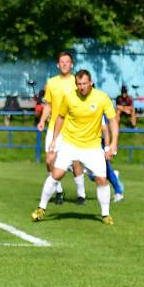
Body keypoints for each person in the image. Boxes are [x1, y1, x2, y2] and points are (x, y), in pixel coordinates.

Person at [31, 69, 119, 225]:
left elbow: (112, 122)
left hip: (92, 147)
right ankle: (41, 208)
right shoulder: (70, 97)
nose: (81, 87)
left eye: (84, 83)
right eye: (78, 84)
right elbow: (60, 118)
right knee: (56, 174)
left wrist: (112, 144)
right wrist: (54, 139)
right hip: (70, 144)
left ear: (91, 83)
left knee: (101, 179)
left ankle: (105, 214)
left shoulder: (102, 98)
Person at [36, 51, 86, 206]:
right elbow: (48, 105)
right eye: (62, 62)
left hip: (72, 129)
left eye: (67, 62)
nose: (64, 64)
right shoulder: (51, 83)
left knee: (76, 162)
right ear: (58, 65)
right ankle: (58, 191)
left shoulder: (77, 82)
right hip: (54, 129)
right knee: (50, 160)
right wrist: (42, 120)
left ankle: (81, 193)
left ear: (72, 65)